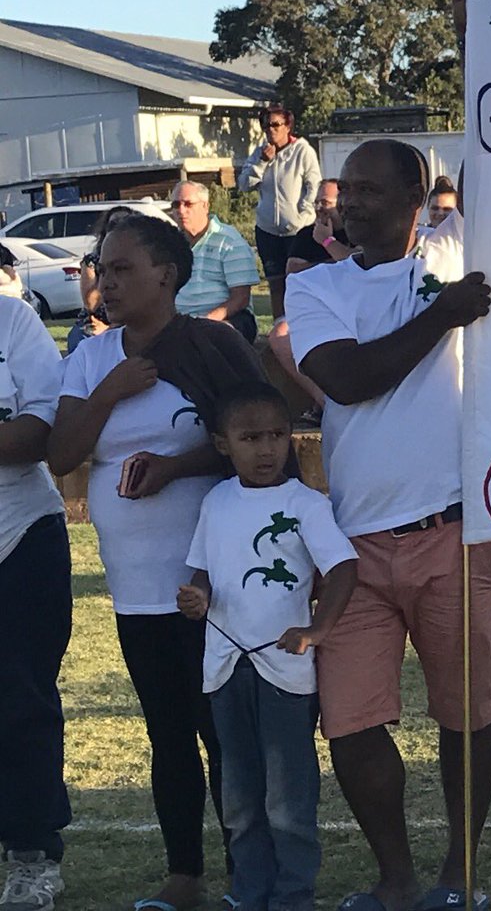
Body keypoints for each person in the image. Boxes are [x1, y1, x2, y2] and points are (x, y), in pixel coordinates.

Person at [286, 139, 491, 911]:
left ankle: (458, 877)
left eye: (375, 189)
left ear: (420, 193)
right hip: (352, 545)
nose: (354, 202)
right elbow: (345, 380)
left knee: (465, 712)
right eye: (349, 191)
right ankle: (397, 881)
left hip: (455, 527)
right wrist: (443, 317)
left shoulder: (459, 246)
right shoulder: (316, 287)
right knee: (349, 721)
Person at [47, 214, 267, 911]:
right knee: (166, 733)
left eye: (122, 269)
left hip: (210, 582)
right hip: (135, 587)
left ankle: (247, 873)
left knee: (222, 732)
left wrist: (176, 467)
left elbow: (259, 434)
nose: (105, 283)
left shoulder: (213, 342)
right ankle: (183, 876)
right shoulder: (90, 355)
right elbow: (61, 455)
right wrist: (112, 389)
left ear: (168, 274)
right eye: (101, 270)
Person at [177, 382, 358, 911]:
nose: (265, 448)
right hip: (225, 667)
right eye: (250, 437)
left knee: (287, 798)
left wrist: (317, 631)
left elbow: (344, 568)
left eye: (276, 435)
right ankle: (248, 891)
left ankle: (293, 894)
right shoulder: (215, 501)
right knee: (238, 794)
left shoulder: (306, 504)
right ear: (222, 443)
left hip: (285, 671)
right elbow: (203, 571)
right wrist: (197, 598)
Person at [0, 297, 72, 911]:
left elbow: (40, 432)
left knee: (22, 703)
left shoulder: (12, 319)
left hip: (19, 534)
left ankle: (31, 855)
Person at [267, 180, 353, 425]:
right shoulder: (307, 234)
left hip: (346, 309)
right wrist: (336, 264)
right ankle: (325, 401)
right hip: (310, 309)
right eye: (317, 202)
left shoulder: (354, 232)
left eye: (325, 202)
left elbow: (358, 263)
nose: (319, 208)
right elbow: (293, 271)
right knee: (279, 335)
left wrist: (328, 243)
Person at [238, 106, 321, 320]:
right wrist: (262, 162)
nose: (270, 130)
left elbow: (314, 187)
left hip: (298, 231)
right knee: (276, 285)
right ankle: (278, 330)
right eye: (266, 126)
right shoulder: (260, 153)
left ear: (288, 126)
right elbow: (244, 184)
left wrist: (302, 217)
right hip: (267, 231)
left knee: (299, 284)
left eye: (275, 125)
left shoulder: (303, 151)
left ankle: (302, 328)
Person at [170, 182, 260, 343]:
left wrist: (205, 322)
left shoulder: (229, 241)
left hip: (228, 318)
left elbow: (240, 299)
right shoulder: (170, 244)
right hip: (181, 320)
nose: (181, 210)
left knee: (214, 336)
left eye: (188, 204)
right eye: (176, 204)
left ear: (205, 206)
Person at [67, 205, 139, 354]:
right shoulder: (92, 261)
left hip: (127, 323)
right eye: (113, 225)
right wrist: (104, 270)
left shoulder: (139, 262)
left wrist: (111, 329)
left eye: (125, 223)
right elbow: (91, 303)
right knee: (81, 337)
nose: (119, 229)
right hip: (94, 322)